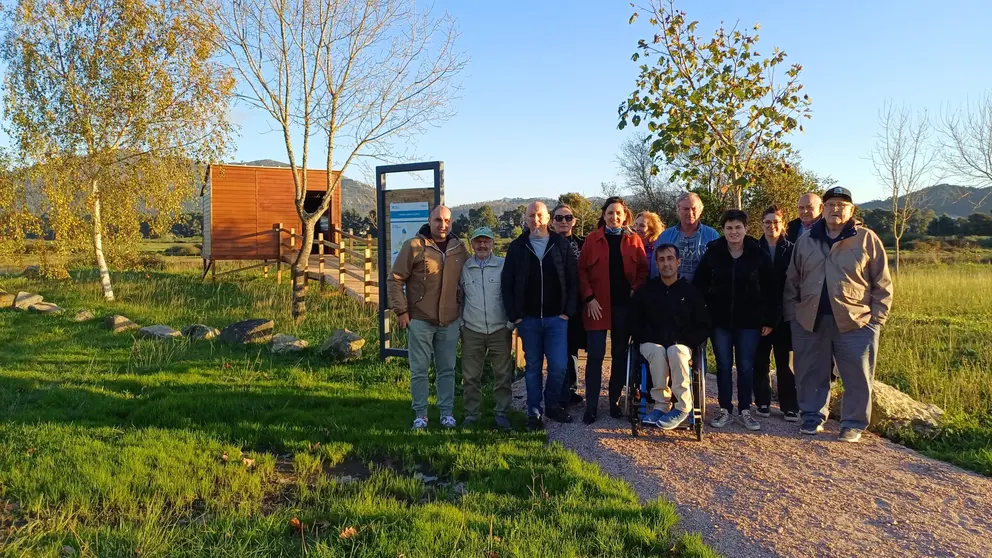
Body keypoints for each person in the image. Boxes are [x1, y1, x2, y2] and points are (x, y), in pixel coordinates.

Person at [784, 186, 893, 443]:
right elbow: (793, 279)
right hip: (810, 321)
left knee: (857, 373)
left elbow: (883, 283)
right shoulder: (806, 240)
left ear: (851, 210)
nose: (836, 209)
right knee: (811, 370)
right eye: (831, 204)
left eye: (842, 205)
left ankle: (853, 423)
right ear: (823, 209)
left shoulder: (867, 239)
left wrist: (876, 319)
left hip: (856, 321)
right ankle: (812, 415)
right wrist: (793, 316)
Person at [692, 209, 777, 431]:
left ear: (746, 229)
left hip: (750, 322)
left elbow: (771, 289)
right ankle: (725, 409)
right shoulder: (713, 252)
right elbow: (699, 285)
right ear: (723, 230)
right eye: (729, 228)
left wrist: (769, 319)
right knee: (723, 366)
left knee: (746, 366)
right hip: (720, 322)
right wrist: (703, 313)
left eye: (738, 227)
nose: (734, 232)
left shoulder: (758, 254)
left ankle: (745, 410)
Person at [388, 205, 468, 430]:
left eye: (447, 221)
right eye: (438, 220)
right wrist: (402, 311)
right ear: (429, 221)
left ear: (451, 223)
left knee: (447, 369)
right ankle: (420, 414)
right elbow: (395, 279)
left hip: (450, 321)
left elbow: (468, 276)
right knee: (420, 369)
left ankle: (446, 413)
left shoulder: (459, 249)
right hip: (420, 319)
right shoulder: (414, 246)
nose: (442, 225)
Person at [502, 201, 578, 430]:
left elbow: (574, 281)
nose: (535, 219)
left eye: (539, 215)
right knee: (533, 367)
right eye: (531, 215)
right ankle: (534, 412)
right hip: (528, 320)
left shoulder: (560, 244)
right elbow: (507, 284)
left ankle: (553, 404)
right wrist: (515, 316)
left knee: (559, 365)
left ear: (547, 218)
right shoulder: (517, 247)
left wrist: (567, 312)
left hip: (557, 319)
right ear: (525, 219)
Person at [578, 197, 649, 423]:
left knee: (619, 355)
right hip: (596, 306)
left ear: (625, 215)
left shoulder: (633, 240)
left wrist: (634, 289)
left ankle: (614, 403)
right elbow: (582, 272)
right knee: (596, 356)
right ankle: (591, 406)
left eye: (618, 213)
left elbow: (643, 271)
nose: (614, 217)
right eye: (610, 213)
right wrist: (589, 298)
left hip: (623, 307)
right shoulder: (592, 239)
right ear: (604, 215)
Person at [628, 244, 709, 430]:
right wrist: (648, 337)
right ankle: (661, 405)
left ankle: (682, 406)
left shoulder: (691, 293)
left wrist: (686, 341)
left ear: (678, 262)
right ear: (656, 263)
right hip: (650, 342)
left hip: (681, 343)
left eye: (670, 258)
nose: (666, 263)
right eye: (662, 259)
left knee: (676, 351)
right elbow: (633, 323)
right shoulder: (646, 292)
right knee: (657, 351)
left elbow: (703, 326)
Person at [459, 227, 514, 430]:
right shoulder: (464, 268)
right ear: (471, 244)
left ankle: (502, 414)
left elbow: (511, 294)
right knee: (471, 376)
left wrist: (510, 323)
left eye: (486, 241)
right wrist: (462, 324)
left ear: (493, 243)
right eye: (478, 241)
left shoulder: (503, 265)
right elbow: (459, 297)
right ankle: (472, 415)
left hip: (500, 329)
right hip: (472, 330)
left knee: (503, 375)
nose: (482, 245)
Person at [754, 205, 799, 422]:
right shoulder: (753, 248)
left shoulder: (792, 250)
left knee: (785, 362)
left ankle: (789, 406)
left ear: (783, 225)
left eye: (776, 222)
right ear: (762, 225)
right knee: (761, 360)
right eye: (767, 222)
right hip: (759, 315)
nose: (772, 226)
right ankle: (762, 402)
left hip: (786, 315)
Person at [552, 203, 585, 407]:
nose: (563, 221)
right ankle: (558, 392)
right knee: (557, 351)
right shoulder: (547, 243)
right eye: (558, 218)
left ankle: (571, 390)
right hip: (553, 305)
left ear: (574, 221)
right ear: (552, 221)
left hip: (578, 304)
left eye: (567, 217)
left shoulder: (584, 244)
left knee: (572, 348)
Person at [653, 192, 721, 282]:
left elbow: (719, 266)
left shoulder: (712, 235)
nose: (690, 213)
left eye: (694, 208)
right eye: (685, 209)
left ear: (701, 210)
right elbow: (655, 267)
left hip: (702, 292)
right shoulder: (665, 236)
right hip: (672, 291)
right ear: (678, 210)